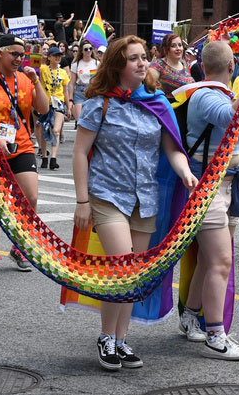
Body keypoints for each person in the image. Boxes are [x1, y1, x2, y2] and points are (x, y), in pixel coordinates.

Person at [73, 35, 198, 369]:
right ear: (118, 64)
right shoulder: (100, 104)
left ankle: (121, 340)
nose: (142, 63)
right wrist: (82, 201)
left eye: (144, 57)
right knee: (121, 265)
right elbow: (80, 152)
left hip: (145, 197)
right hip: (107, 194)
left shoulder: (156, 101)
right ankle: (106, 337)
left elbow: (172, 147)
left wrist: (185, 172)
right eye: (133, 58)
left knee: (133, 274)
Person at [179, 42, 239, 359]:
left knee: (210, 261)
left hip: (226, 186)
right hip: (206, 187)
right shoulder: (206, 95)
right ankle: (215, 336)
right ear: (232, 65)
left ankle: (191, 316)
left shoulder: (217, 94)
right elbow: (232, 120)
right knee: (220, 262)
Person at [0, 33, 49, 271]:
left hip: (22, 145)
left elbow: (43, 108)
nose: (19, 59)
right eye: (14, 54)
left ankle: (19, 247)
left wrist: (36, 81)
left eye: (22, 55)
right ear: (0, 52)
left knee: (31, 198)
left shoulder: (25, 79)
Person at [37, 45, 70, 170]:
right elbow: (34, 64)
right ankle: (44, 156)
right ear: (49, 57)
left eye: (59, 56)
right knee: (44, 129)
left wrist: (69, 106)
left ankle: (54, 158)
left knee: (56, 130)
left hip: (59, 103)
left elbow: (65, 90)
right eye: (55, 55)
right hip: (45, 102)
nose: (58, 58)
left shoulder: (63, 73)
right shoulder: (43, 69)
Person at [148, 30, 192, 96]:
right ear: (166, 49)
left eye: (180, 45)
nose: (178, 48)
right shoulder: (157, 65)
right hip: (167, 105)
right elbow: (148, 89)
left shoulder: (184, 63)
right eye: (173, 46)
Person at [70, 40, 101, 120]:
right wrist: (70, 99)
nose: (89, 51)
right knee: (80, 119)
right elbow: (72, 83)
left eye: (90, 49)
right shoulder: (76, 64)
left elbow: (100, 81)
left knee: (91, 119)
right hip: (79, 92)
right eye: (86, 49)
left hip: (92, 91)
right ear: (82, 51)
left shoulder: (97, 63)